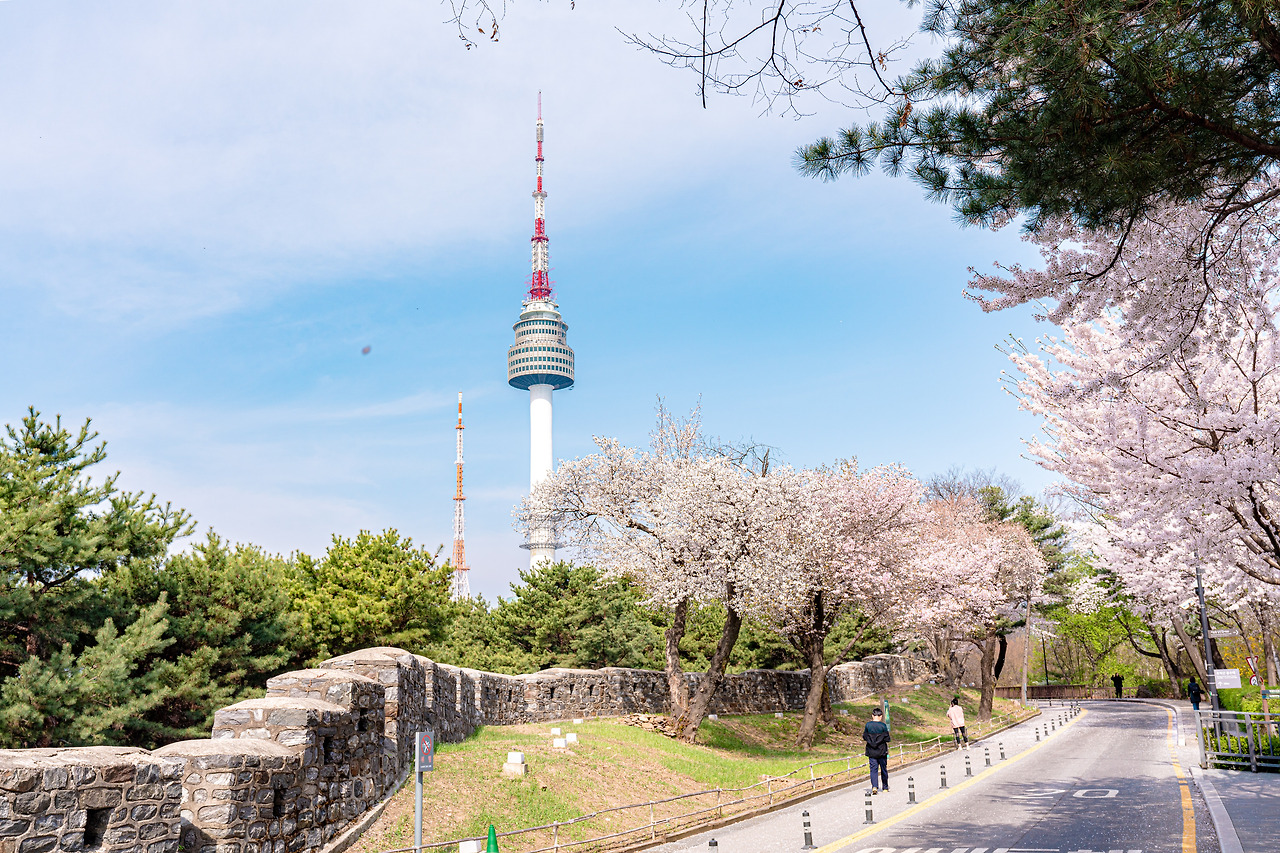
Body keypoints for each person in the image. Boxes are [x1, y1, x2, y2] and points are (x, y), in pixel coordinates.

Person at [863, 707, 891, 794]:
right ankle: (885, 787)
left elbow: (864, 736)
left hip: (871, 751)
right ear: (881, 716)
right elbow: (887, 738)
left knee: (873, 770)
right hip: (881, 751)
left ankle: (874, 786)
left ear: (872, 715)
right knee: (883, 769)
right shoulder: (883, 726)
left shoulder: (868, 725)